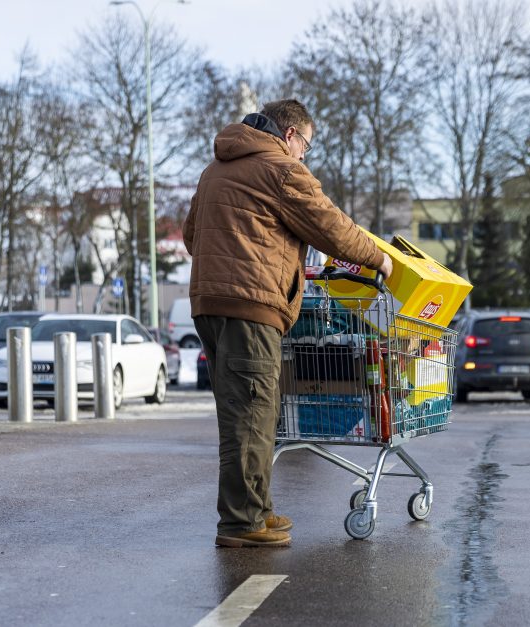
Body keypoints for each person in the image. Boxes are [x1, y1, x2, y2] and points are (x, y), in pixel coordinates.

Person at [184, 99, 393, 548]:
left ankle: (255, 510)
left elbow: (190, 236)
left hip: (209, 303)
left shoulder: (214, 171)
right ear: (291, 134)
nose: (304, 157)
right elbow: (331, 227)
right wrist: (380, 259)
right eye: (307, 147)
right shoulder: (280, 169)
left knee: (246, 410)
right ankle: (242, 524)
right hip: (251, 304)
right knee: (253, 415)